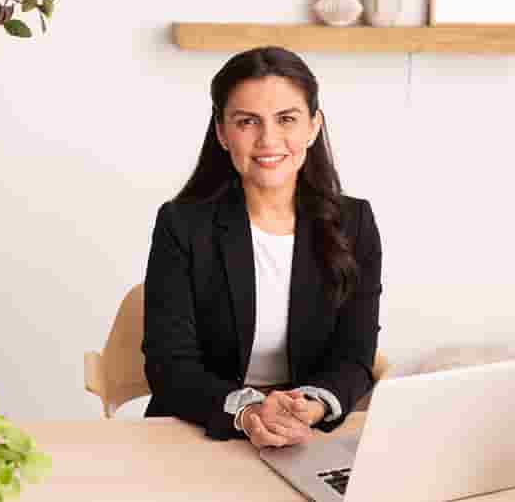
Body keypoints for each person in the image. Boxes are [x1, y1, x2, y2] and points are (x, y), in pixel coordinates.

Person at [142, 46, 382, 448]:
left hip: (307, 433)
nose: (268, 139)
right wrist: (249, 409)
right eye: (247, 121)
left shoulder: (354, 223)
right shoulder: (182, 225)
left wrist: (313, 404)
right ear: (221, 132)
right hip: (203, 427)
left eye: (286, 119)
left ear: (313, 126)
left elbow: (355, 356)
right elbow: (169, 365)